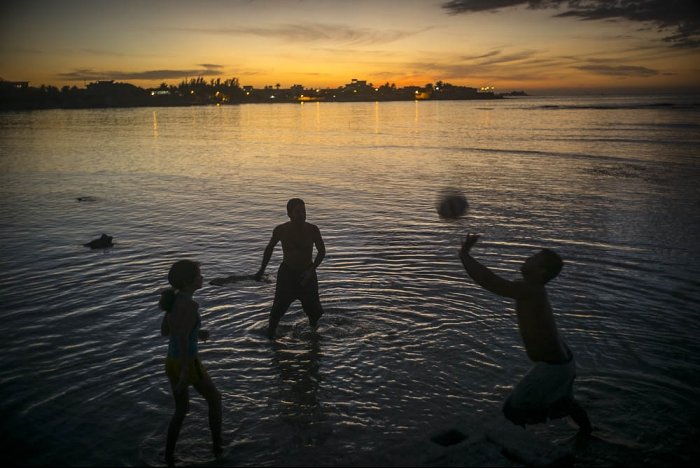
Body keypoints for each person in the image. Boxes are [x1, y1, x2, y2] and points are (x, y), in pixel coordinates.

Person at [458, 233, 592, 434]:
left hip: (553, 367)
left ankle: (528, 448)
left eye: (532, 260)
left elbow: (489, 281)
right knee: (565, 401)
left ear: (540, 272)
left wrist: (465, 255)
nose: (526, 260)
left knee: (512, 410)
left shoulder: (531, 290)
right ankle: (587, 432)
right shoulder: (531, 290)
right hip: (562, 362)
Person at [159, 260, 222, 466]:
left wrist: (197, 331)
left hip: (171, 362)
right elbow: (183, 337)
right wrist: (187, 370)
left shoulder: (173, 301)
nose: (202, 278)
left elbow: (166, 331)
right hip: (188, 362)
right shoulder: (191, 305)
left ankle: (168, 456)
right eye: (199, 275)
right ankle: (218, 448)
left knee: (181, 410)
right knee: (215, 399)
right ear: (188, 282)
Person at [255, 198, 326, 339]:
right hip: (287, 274)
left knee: (314, 313)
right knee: (276, 312)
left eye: (304, 212)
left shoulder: (313, 229)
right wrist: (261, 270)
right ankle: (270, 338)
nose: (302, 215)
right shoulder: (281, 230)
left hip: (307, 273)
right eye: (298, 212)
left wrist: (310, 271)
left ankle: (314, 337)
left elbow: (322, 251)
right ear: (289, 214)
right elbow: (269, 248)